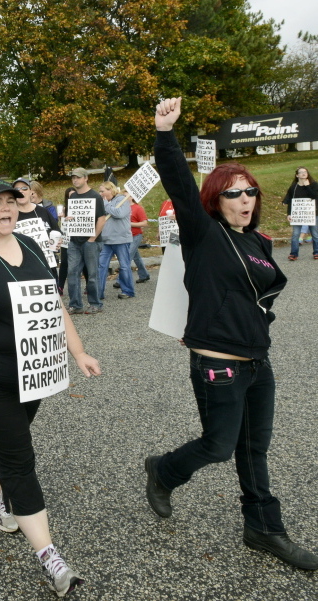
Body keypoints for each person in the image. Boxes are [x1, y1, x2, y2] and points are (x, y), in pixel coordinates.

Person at [144, 97, 318, 571]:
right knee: (219, 445)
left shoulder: (259, 241)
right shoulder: (204, 232)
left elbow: (259, 297)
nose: (245, 200)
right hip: (218, 362)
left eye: (251, 192)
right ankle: (162, 470)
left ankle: (264, 527)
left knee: (253, 448)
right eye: (234, 193)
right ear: (216, 200)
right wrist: (165, 132)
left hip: (258, 363)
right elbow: (179, 181)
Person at [0, 178, 101, 597]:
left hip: (33, 374)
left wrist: (77, 351)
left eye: (11, 201)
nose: (6, 208)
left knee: (5, 440)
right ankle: (50, 557)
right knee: (18, 459)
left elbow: (54, 303)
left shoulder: (29, 245)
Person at [64, 168, 106, 314]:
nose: (75, 180)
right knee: (72, 273)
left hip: (91, 241)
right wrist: (67, 219)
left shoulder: (95, 196)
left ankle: (96, 303)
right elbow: (72, 217)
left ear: (86, 178)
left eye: (78, 177)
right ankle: (75, 304)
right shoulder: (73, 197)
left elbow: (101, 219)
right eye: (73, 177)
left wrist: (92, 238)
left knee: (92, 274)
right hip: (74, 241)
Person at [96, 182, 135, 300]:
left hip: (121, 239)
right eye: (100, 191)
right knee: (101, 266)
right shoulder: (103, 203)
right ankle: (99, 292)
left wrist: (106, 204)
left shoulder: (122, 200)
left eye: (102, 191)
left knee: (124, 266)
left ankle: (128, 291)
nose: (101, 194)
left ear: (110, 190)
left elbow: (119, 213)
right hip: (106, 240)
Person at [281, 167, 318, 261]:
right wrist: (289, 214)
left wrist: (307, 186)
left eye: (305, 172)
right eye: (301, 172)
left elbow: (314, 196)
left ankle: (316, 252)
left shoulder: (314, 184)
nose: (303, 173)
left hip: (313, 214)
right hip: (297, 215)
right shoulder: (294, 186)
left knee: (315, 234)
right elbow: (290, 200)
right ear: (297, 175)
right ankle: (294, 254)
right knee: (295, 234)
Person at [115, 195, 151, 290]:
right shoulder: (121, 208)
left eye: (125, 195)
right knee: (136, 256)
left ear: (131, 197)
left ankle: (120, 280)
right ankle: (144, 275)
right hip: (125, 236)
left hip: (135, 235)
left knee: (127, 257)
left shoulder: (137, 208)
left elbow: (144, 223)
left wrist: (130, 223)